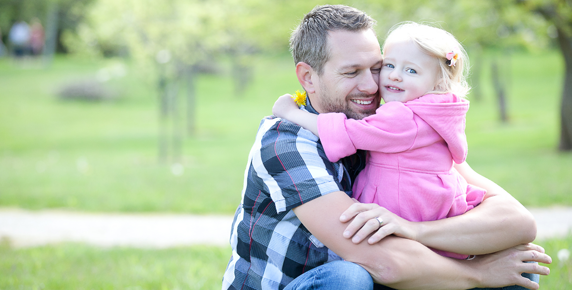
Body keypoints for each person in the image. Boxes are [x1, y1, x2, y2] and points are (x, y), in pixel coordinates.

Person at [222, 5, 551, 290]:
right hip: (312, 281)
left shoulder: (388, 127)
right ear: (308, 77)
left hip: (377, 271)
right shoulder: (286, 143)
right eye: (352, 72)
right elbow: (382, 262)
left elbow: (516, 222)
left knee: (516, 265)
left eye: (377, 68)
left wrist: (417, 230)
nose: (371, 85)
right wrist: (478, 273)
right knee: (349, 278)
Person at [272, 22, 484, 260]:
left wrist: (293, 114)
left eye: (411, 71)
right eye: (389, 65)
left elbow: (348, 133)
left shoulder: (404, 118)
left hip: (407, 205)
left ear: (439, 84)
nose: (394, 75)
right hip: (431, 201)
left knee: (402, 261)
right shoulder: (437, 113)